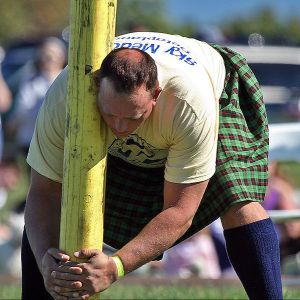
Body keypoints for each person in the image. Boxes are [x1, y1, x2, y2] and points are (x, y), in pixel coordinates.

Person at [22, 32, 282, 300]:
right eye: (110, 114)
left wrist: (115, 267)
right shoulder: (67, 97)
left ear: (156, 93)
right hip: (154, 120)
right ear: (97, 85)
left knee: (237, 200)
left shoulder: (190, 104)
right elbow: (43, 192)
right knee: (59, 210)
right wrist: (46, 261)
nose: (120, 128)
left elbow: (180, 211)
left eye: (134, 116)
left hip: (212, 88)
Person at [7, 37, 66, 156]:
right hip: (29, 139)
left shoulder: (66, 80)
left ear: (62, 58)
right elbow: (21, 109)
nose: (47, 59)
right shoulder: (31, 81)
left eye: (51, 55)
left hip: (56, 141)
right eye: (44, 55)